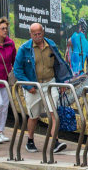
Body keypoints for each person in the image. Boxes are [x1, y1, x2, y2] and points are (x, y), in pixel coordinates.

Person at [13, 22, 71, 154]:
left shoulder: (51, 45)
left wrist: (61, 82)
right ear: (30, 35)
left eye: (39, 33)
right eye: (35, 34)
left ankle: (55, 142)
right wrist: (28, 86)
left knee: (53, 113)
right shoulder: (24, 49)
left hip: (50, 84)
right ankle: (30, 140)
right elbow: (17, 70)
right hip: (34, 86)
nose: (38, 36)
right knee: (34, 116)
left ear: (43, 32)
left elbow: (59, 64)